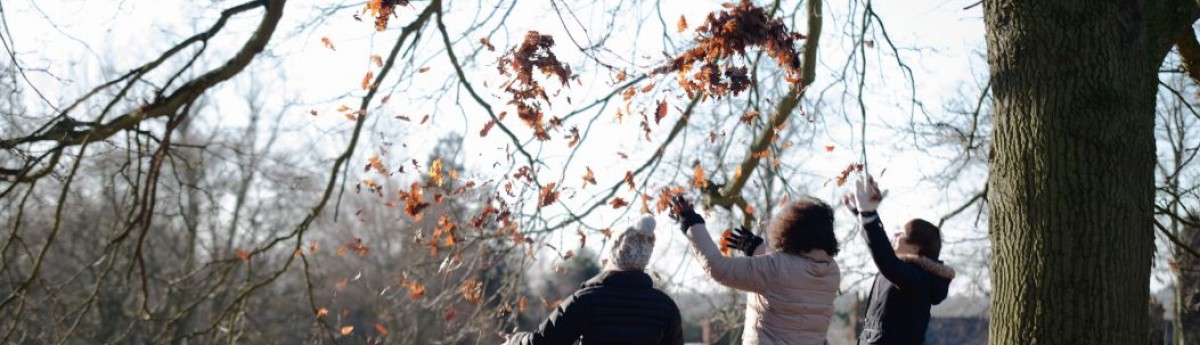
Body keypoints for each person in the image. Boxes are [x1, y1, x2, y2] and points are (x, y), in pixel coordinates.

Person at [670, 195, 841, 345]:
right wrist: (758, 249)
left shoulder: (774, 268)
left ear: (792, 229)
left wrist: (691, 223)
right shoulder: (831, 272)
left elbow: (719, 268)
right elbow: (793, 276)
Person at [504, 215, 683, 345]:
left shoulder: (586, 301)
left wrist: (513, 341)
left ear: (614, 254)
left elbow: (543, 343)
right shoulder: (666, 308)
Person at [843, 175, 956, 345]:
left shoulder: (916, 278)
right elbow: (881, 249)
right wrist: (860, 214)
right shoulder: (908, 272)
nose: (895, 234)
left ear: (915, 248)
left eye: (902, 234)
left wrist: (868, 215)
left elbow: (885, 258)